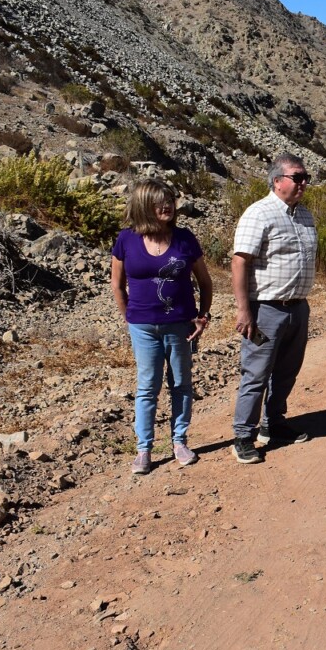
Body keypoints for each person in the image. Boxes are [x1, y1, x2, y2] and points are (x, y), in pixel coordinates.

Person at [110, 179, 213, 475]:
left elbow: (205, 282)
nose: (167, 205)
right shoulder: (126, 239)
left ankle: (179, 442)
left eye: (169, 200)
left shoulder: (184, 238)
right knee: (147, 387)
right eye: (159, 201)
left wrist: (203, 316)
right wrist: (130, 317)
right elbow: (117, 285)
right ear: (144, 205)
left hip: (180, 325)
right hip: (142, 327)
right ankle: (144, 449)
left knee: (181, 384)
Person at [231, 153, 317, 463]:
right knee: (256, 373)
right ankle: (243, 435)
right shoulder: (259, 213)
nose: (303, 183)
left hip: (298, 308)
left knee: (286, 372)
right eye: (297, 177)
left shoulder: (304, 215)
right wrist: (244, 310)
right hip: (265, 310)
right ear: (277, 180)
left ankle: (274, 423)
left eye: (306, 177)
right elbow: (240, 261)